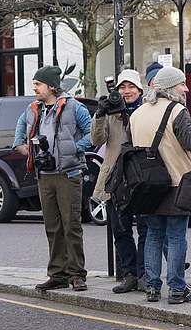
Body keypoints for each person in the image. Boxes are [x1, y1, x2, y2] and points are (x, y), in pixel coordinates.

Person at [14, 65, 92, 292]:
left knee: (72, 226)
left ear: (50, 86)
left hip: (68, 174)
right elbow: (21, 123)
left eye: (38, 84)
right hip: (44, 175)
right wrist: (19, 144)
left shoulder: (74, 107)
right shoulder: (33, 108)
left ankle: (77, 274)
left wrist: (75, 149)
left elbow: (92, 133)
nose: (34, 88)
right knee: (52, 227)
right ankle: (57, 275)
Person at [130, 66, 191, 304]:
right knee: (177, 237)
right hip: (176, 181)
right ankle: (177, 288)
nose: (186, 88)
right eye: (182, 84)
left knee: (153, 236)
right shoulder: (177, 110)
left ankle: (152, 287)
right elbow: (190, 142)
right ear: (171, 87)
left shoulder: (137, 113)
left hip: (146, 185)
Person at [91, 69, 148, 293]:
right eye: (122, 87)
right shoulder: (110, 112)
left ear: (140, 90)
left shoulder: (146, 110)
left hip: (142, 177)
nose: (126, 91)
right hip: (116, 179)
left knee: (146, 229)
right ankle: (129, 274)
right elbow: (96, 140)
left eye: (131, 87)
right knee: (121, 230)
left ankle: (145, 274)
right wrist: (100, 114)